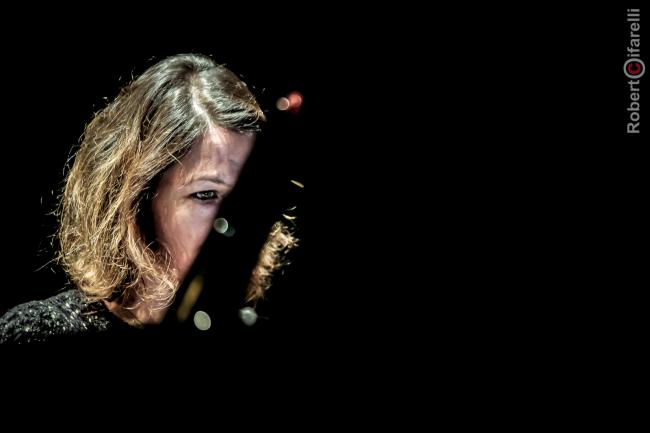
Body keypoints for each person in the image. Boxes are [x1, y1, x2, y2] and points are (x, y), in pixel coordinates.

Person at [0, 53, 297, 344]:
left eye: (247, 198)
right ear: (138, 200)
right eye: (206, 194)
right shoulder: (40, 334)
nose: (235, 220)